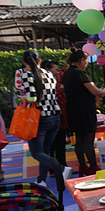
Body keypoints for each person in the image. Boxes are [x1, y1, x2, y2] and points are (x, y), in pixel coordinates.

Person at [15, 50, 72, 183]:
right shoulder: (48, 73)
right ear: (39, 61)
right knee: (45, 151)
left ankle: (62, 169)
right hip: (55, 116)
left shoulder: (26, 74)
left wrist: (24, 97)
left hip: (39, 118)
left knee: (36, 153)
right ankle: (41, 180)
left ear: (24, 62)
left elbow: (33, 97)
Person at [63, 49, 105, 175]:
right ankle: (93, 167)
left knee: (79, 140)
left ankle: (82, 166)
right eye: (87, 61)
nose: (87, 63)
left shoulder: (66, 73)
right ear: (82, 60)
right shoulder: (81, 73)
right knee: (88, 140)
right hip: (84, 110)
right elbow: (95, 92)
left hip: (72, 110)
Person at [41, 59, 68, 168]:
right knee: (50, 146)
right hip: (50, 118)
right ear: (47, 70)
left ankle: (61, 167)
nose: (57, 72)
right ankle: (53, 169)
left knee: (59, 144)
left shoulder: (55, 83)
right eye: (55, 69)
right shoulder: (45, 84)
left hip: (58, 118)